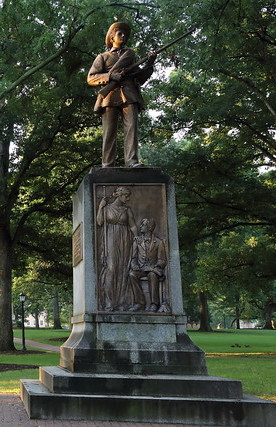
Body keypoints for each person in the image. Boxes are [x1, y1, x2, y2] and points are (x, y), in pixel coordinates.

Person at [87, 22, 156, 168]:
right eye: (120, 33)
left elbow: (140, 78)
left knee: (132, 129)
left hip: (130, 95)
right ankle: (107, 164)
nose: (123, 36)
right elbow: (91, 77)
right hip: (110, 96)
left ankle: (132, 162)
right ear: (112, 37)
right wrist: (111, 77)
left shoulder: (129, 56)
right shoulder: (103, 57)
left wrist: (149, 64)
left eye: (125, 34)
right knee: (109, 132)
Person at [97, 186, 137, 311]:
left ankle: (121, 302)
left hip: (125, 239)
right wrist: (100, 207)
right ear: (119, 195)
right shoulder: (107, 208)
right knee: (112, 268)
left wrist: (137, 239)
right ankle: (109, 302)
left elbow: (133, 226)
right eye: (126, 195)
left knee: (123, 269)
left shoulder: (127, 210)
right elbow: (99, 222)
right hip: (110, 238)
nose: (128, 198)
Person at [129, 218, 166, 312]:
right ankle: (139, 303)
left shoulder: (158, 242)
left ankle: (154, 304)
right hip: (141, 269)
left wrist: (156, 267)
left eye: (143, 225)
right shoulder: (137, 241)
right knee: (132, 274)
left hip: (153, 269)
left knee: (152, 275)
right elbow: (133, 258)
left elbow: (162, 260)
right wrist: (134, 265)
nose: (140, 226)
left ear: (149, 228)